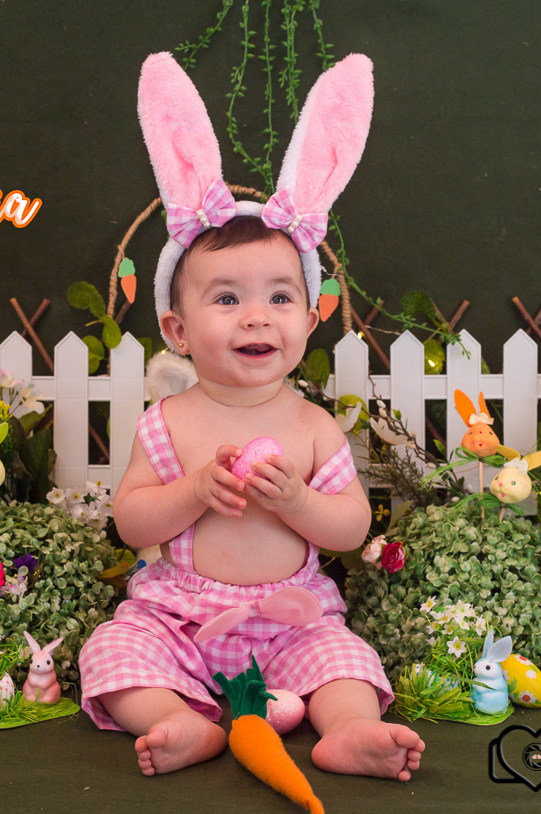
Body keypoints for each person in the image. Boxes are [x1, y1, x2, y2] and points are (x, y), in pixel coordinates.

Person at [77, 51, 424, 782]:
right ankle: (176, 718)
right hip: (180, 620)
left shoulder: (313, 427)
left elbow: (351, 528)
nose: (256, 316)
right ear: (177, 330)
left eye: (279, 297)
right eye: (227, 298)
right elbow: (131, 522)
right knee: (113, 649)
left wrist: (299, 502)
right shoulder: (168, 422)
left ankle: (351, 730)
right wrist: (193, 490)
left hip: (291, 619)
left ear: (310, 319)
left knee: (345, 660)